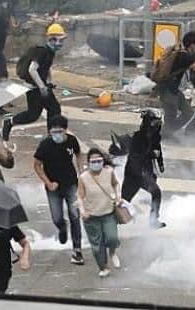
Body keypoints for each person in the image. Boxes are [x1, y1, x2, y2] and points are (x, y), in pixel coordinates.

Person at [32, 115, 85, 265]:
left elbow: (79, 154)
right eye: (54, 131)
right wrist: (48, 183)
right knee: (57, 217)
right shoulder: (45, 145)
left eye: (60, 131)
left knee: (75, 215)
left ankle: (77, 250)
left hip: (71, 183)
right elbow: (36, 165)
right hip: (53, 186)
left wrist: (81, 171)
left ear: (66, 130)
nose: (57, 135)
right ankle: (62, 227)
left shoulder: (72, 141)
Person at [1, 23, 66, 141]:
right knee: (34, 114)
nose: (61, 43)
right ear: (52, 39)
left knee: (53, 109)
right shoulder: (42, 51)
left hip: (41, 86)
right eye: (59, 40)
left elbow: (46, 68)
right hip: (34, 87)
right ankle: (9, 122)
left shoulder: (50, 52)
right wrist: (42, 86)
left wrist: (49, 81)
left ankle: (52, 135)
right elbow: (32, 69)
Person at [77, 148, 123, 278]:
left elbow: (116, 184)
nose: (96, 163)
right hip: (91, 216)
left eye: (99, 161)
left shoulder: (109, 172)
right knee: (97, 246)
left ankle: (112, 252)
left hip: (108, 213)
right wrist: (82, 211)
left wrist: (118, 197)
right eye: (93, 161)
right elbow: (80, 196)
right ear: (89, 162)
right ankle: (103, 267)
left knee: (112, 238)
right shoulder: (83, 177)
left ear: (103, 161)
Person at [119, 109, 166, 229]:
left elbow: (158, 149)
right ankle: (109, 225)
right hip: (133, 173)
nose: (157, 126)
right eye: (155, 123)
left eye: (159, 123)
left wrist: (160, 163)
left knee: (156, 193)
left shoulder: (156, 136)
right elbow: (136, 156)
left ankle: (153, 220)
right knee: (124, 202)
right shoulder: (138, 138)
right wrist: (151, 154)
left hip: (146, 172)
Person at [153, 31, 195, 130]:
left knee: (188, 112)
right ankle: (166, 136)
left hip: (173, 89)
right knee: (170, 117)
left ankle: (168, 133)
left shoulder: (181, 54)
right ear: (192, 45)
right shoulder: (184, 56)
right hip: (167, 90)